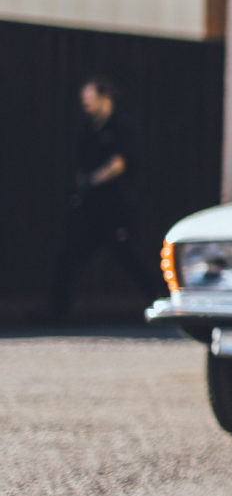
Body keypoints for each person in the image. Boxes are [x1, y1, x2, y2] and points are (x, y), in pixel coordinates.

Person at [50, 76, 156, 321]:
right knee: (70, 254)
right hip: (90, 208)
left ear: (104, 98)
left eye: (90, 99)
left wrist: (91, 181)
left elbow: (118, 164)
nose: (86, 105)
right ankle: (57, 310)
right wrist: (80, 189)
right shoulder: (88, 129)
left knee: (128, 256)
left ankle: (158, 299)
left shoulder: (120, 126)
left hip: (115, 207)